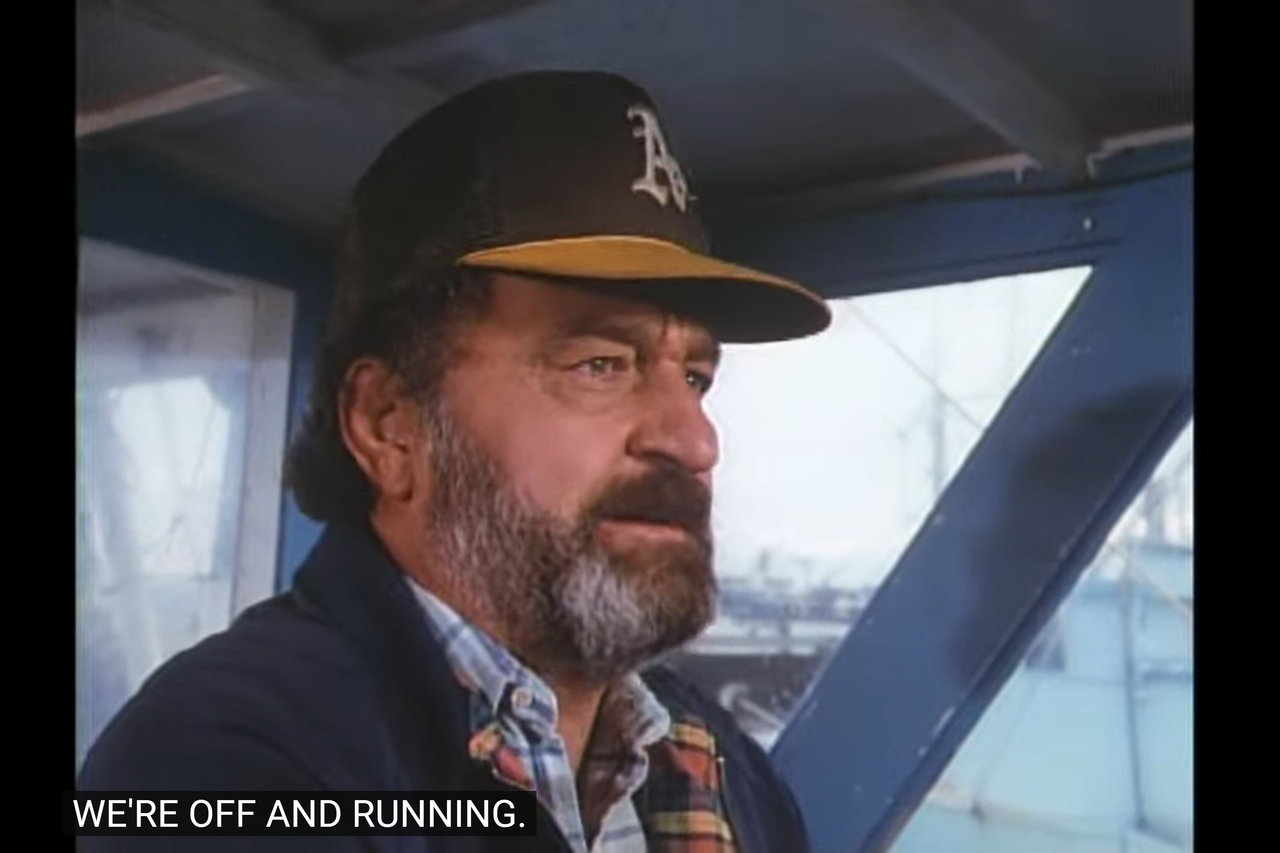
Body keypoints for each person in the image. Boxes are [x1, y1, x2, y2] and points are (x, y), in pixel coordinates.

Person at [78, 70, 832, 852]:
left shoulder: (723, 765)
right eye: (601, 364)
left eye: (696, 377)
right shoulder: (221, 764)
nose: (695, 440)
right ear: (389, 426)